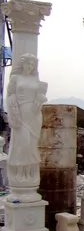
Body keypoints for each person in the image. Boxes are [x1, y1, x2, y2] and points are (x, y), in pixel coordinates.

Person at [6, 53, 47, 186]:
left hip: (34, 115)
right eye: (28, 63)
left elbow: (40, 95)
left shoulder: (36, 80)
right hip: (21, 114)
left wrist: (40, 98)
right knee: (23, 144)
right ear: (22, 63)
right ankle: (19, 173)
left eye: (32, 64)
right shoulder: (15, 78)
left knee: (31, 146)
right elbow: (10, 96)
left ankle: (29, 173)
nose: (30, 66)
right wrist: (13, 113)